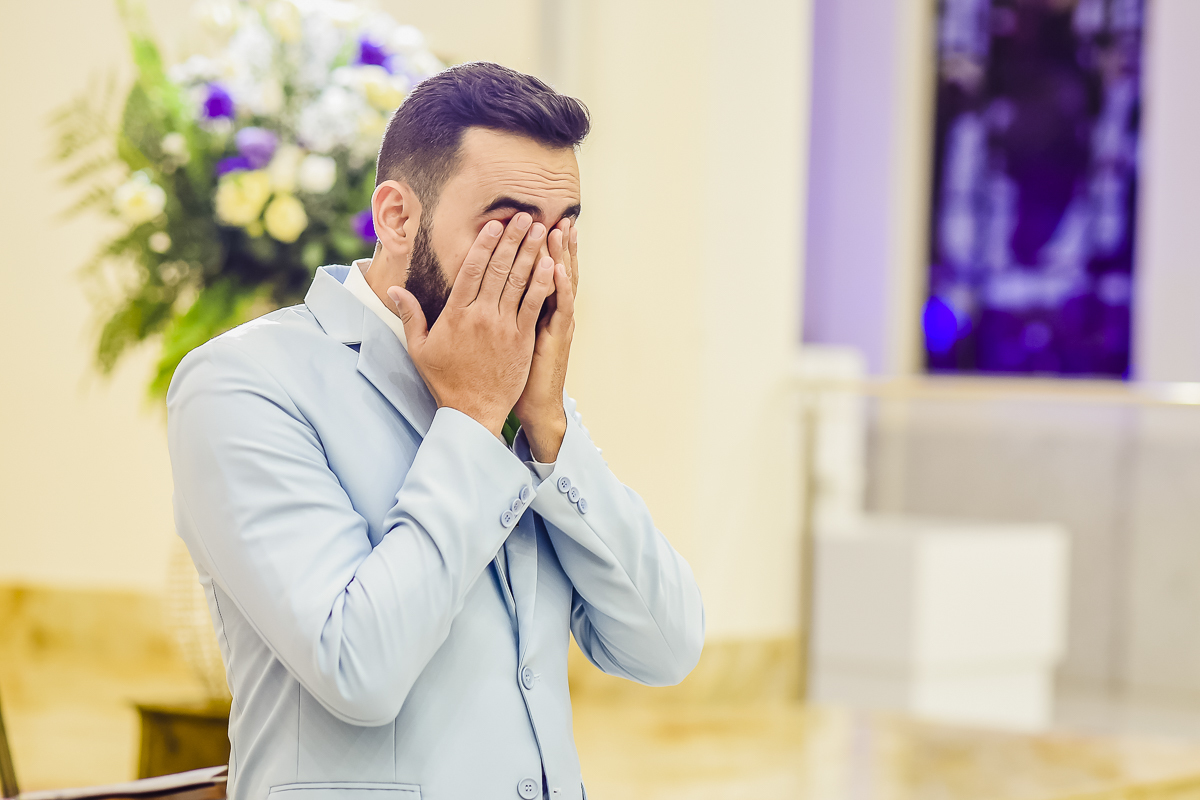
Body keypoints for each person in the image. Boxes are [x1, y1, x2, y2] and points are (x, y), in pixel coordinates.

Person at [167, 62, 704, 800]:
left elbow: (665, 646)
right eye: (507, 229)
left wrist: (547, 428)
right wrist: (474, 420)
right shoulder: (244, 383)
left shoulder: (530, 403)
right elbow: (358, 671)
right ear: (396, 217)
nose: (541, 270)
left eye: (562, 234)